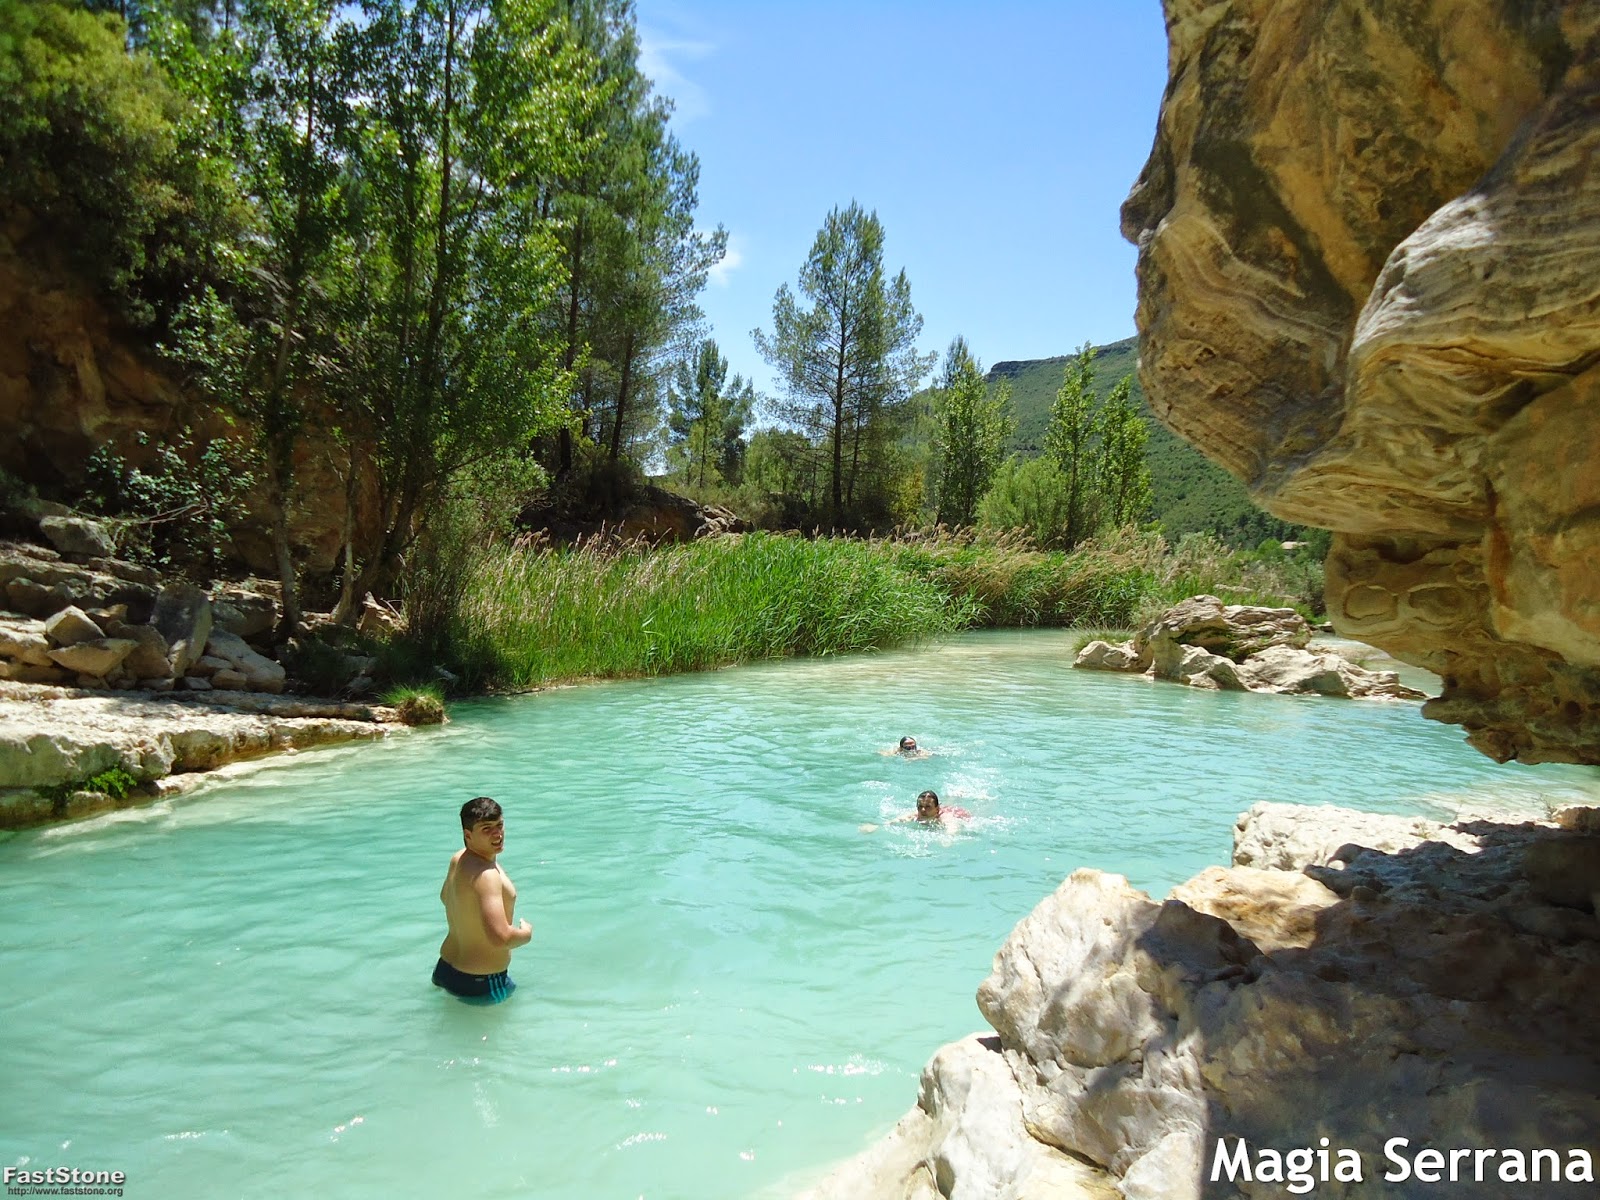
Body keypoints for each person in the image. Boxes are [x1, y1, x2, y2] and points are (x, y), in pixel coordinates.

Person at [432, 796, 532, 1003]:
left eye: (500, 825)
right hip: (481, 981)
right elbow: (501, 938)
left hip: (444, 969)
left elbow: (446, 898)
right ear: (468, 834)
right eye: (486, 829)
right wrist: (525, 934)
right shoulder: (486, 875)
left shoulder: (458, 859)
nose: (498, 834)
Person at [861, 789, 972, 833]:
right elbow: (896, 820)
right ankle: (955, 795)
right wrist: (877, 826)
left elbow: (952, 827)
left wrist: (948, 838)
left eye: (928, 807)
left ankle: (957, 795)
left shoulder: (945, 817)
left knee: (953, 804)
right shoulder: (915, 815)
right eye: (920, 806)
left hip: (957, 812)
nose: (923, 810)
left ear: (937, 809)